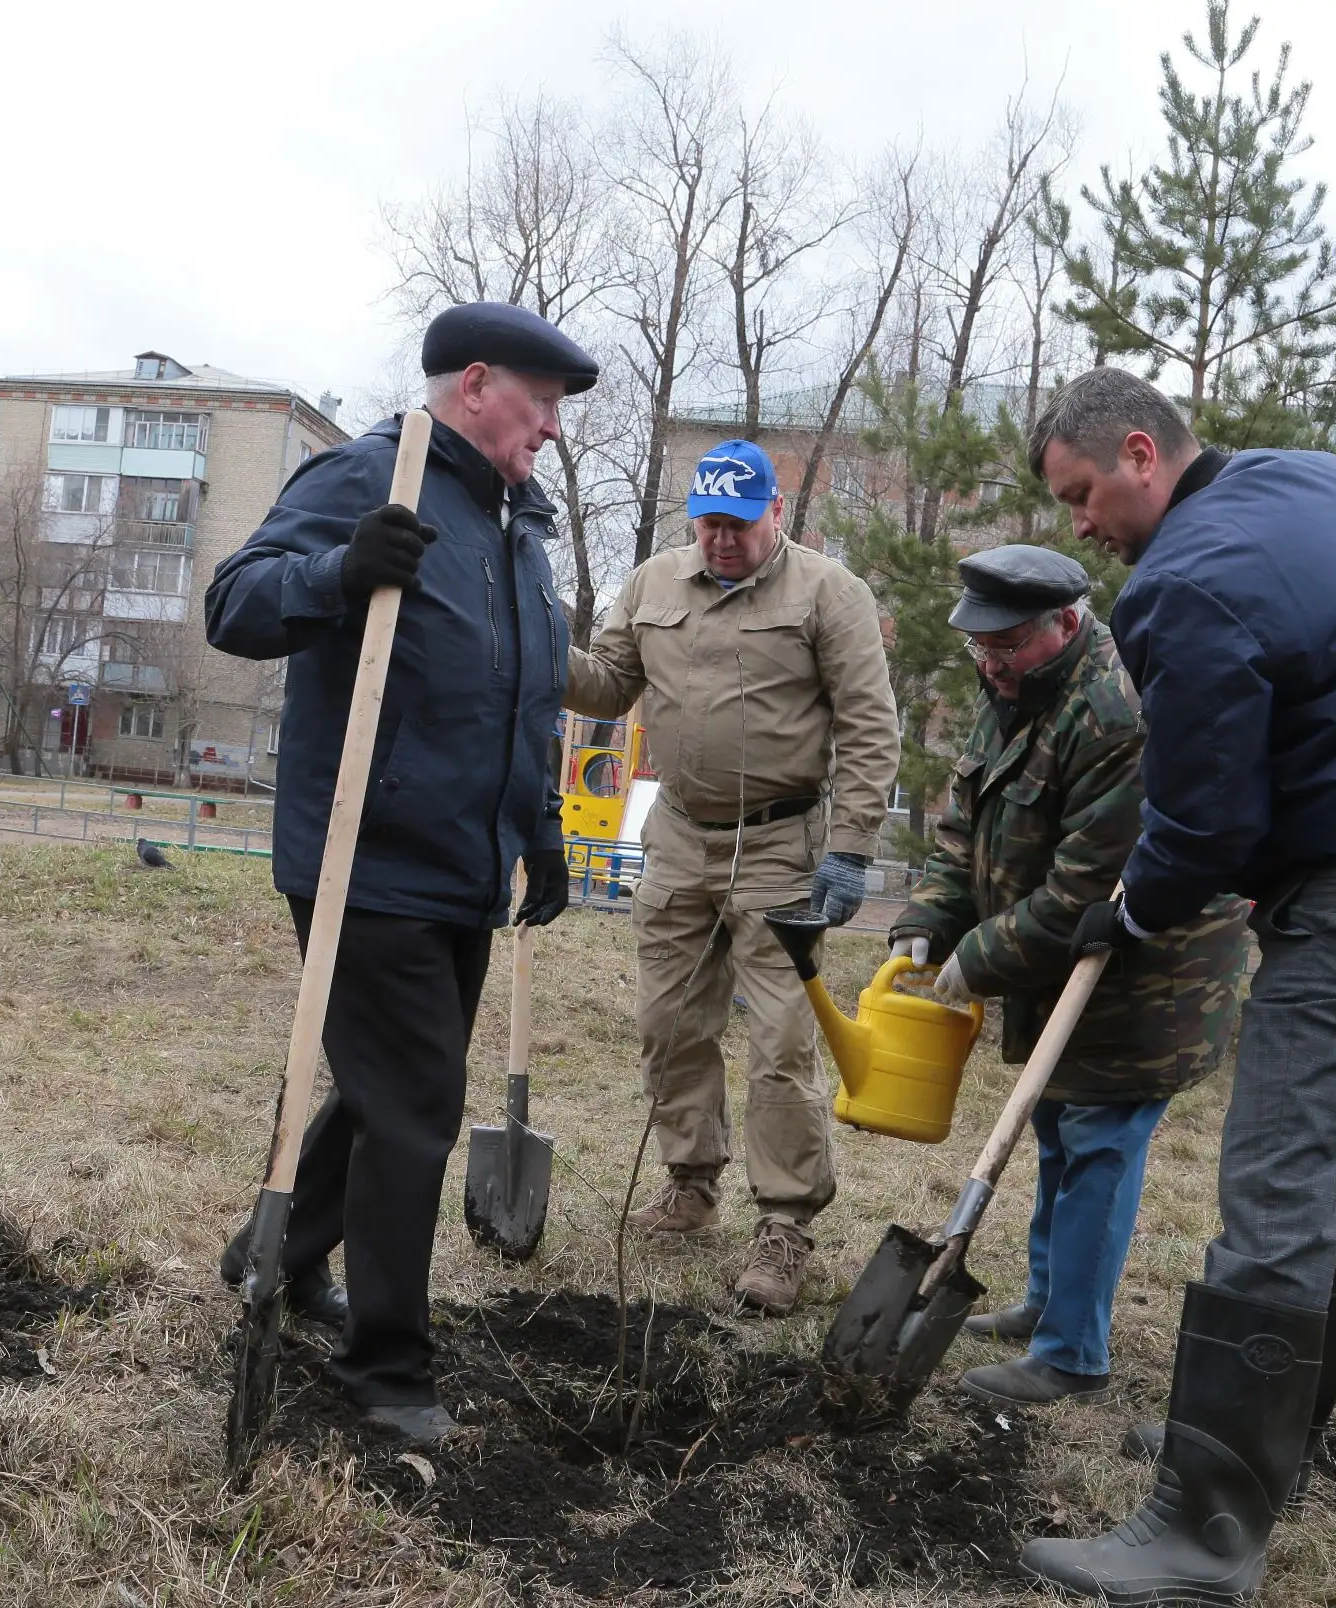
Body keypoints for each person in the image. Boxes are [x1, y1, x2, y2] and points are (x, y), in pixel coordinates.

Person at [1016, 367, 1336, 1604]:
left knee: (1273, 1190)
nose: (1083, 527)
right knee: (1305, 1177)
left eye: (1082, 496)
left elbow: (1207, 822)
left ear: (1140, 453)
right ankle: (1260, 1437)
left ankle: (1204, 1532)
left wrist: (1133, 909)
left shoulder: (1180, 586)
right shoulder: (1316, 479)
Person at [206, 302, 597, 1444]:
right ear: (475, 386)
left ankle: (273, 1253)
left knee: (391, 1091)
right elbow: (234, 602)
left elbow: (522, 696)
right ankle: (386, 1367)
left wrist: (540, 828)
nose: (554, 429)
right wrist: (338, 570)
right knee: (417, 1103)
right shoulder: (373, 476)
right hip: (364, 860)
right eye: (541, 403)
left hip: (464, 863)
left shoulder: (516, 527)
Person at [888, 545, 1248, 1408]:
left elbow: (1084, 891)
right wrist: (928, 922)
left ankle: (1072, 1352)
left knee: (1097, 1147)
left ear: (1065, 621)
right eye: (979, 646)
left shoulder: (1117, 714)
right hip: (1059, 964)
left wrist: (976, 958)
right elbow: (962, 831)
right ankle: (1047, 1302)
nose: (990, 663)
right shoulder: (1013, 692)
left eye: (1006, 645)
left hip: (1143, 974)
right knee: (1056, 1128)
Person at [564, 438, 899, 1316]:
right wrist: (536, 644)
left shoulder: (829, 593)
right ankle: (690, 1182)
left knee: (782, 1041)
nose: (721, 539)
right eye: (708, 523)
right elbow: (607, 685)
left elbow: (869, 725)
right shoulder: (653, 583)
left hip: (783, 846)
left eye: (738, 525)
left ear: (776, 513)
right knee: (668, 1022)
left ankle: (784, 1225)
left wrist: (851, 846)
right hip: (678, 837)